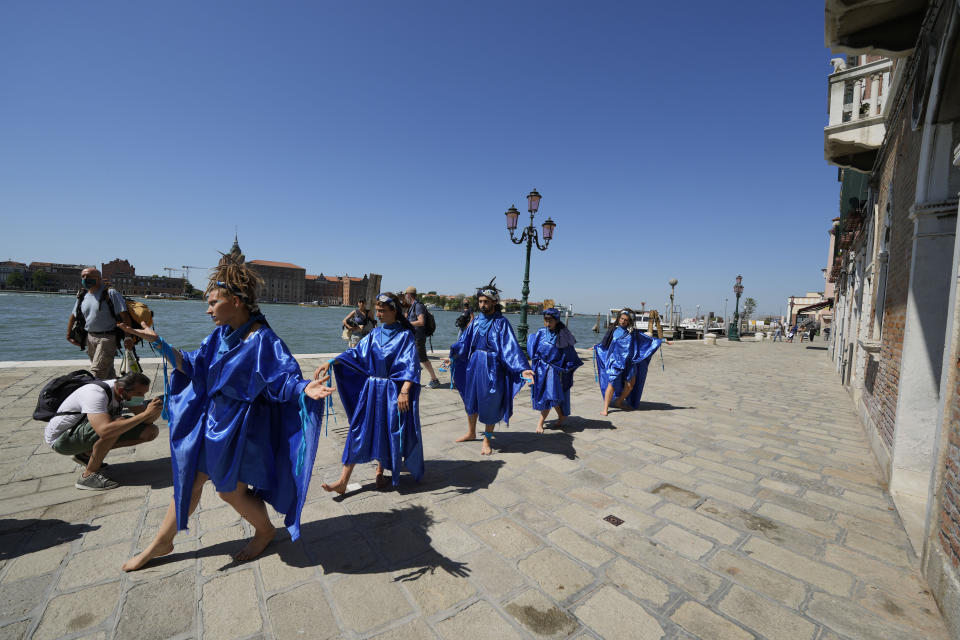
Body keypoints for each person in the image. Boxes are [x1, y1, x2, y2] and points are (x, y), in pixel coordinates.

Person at [117, 253, 335, 571]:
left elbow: (282, 380)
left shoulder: (263, 340)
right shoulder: (220, 335)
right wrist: (159, 344)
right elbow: (194, 365)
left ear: (235, 301)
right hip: (215, 421)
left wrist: (305, 389)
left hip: (245, 430)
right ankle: (161, 542)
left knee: (229, 492)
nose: (208, 310)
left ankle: (265, 531)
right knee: (191, 480)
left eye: (213, 303)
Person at [314, 292, 424, 494]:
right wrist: (332, 361)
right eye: (377, 310)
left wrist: (405, 392)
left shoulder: (404, 335)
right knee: (358, 429)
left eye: (382, 311)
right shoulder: (374, 333)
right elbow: (355, 353)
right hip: (372, 390)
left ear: (394, 311)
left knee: (386, 430)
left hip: (392, 392)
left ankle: (380, 472)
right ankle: (342, 481)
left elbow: (411, 367)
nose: (378, 314)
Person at [441, 278, 534, 455]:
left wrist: (523, 368)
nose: (482, 304)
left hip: (493, 367)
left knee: (490, 401)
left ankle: (486, 440)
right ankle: (470, 432)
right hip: (474, 364)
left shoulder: (501, 323)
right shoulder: (475, 322)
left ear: (494, 302)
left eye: (486, 302)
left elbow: (511, 348)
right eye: (481, 301)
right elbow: (464, 343)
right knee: (471, 399)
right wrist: (451, 357)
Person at [44, 371, 162, 490]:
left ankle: (86, 454)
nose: (142, 397)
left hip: (82, 432)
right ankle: (88, 476)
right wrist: (146, 414)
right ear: (121, 390)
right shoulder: (96, 394)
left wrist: (155, 411)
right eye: (139, 393)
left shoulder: (123, 392)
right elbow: (105, 431)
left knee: (150, 431)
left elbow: (147, 422)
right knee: (116, 425)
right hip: (61, 440)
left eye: (144, 393)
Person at [66, 267, 134, 379]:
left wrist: (128, 337)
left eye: (89, 276)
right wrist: (68, 335)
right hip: (90, 338)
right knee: (107, 371)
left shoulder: (110, 293)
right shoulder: (83, 295)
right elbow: (73, 315)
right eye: (83, 276)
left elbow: (125, 316)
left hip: (107, 338)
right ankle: (114, 393)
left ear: (99, 278)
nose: (85, 278)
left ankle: (92, 394)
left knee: (96, 372)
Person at [595, 308, 664, 416]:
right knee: (611, 384)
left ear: (629, 322)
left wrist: (661, 340)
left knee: (630, 385)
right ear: (619, 319)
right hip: (616, 362)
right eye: (622, 319)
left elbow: (646, 340)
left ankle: (619, 401)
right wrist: (596, 347)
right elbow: (604, 344)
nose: (623, 321)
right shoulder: (613, 331)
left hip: (629, 363)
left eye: (626, 320)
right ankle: (605, 408)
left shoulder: (633, 333)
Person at [528, 308, 583, 433]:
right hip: (540, 369)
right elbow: (533, 350)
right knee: (550, 396)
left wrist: (566, 368)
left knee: (549, 396)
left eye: (550, 320)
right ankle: (561, 415)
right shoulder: (541, 333)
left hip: (553, 372)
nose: (547, 323)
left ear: (556, 321)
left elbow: (570, 355)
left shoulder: (563, 336)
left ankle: (540, 424)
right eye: (545, 320)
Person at [404, 287, 441, 389]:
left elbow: (421, 322)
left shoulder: (418, 306)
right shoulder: (412, 306)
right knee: (412, 359)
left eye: (405, 295)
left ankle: (434, 380)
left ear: (409, 295)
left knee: (423, 359)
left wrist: (407, 323)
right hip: (413, 337)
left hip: (419, 338)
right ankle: (410, 380)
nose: (405, 297)